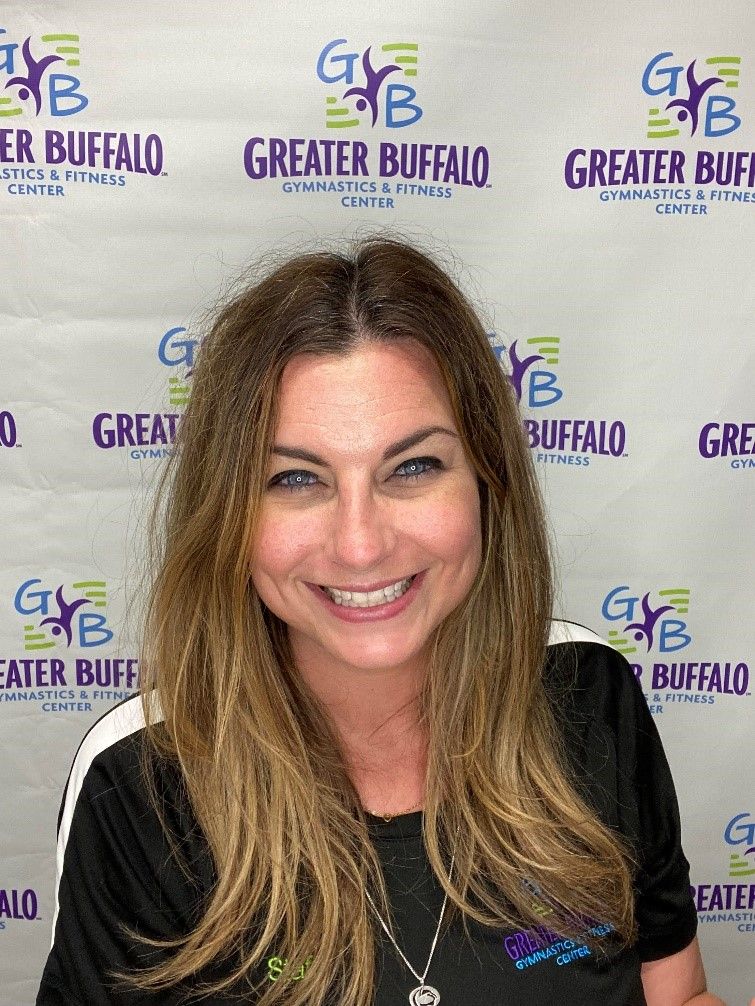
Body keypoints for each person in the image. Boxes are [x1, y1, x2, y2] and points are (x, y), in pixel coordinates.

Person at [38, 238, 721, 1006]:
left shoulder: (589, 693)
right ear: (228, 513)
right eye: (295, 478)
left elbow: (677, 996)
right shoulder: (137, 787)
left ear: (487, 480)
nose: (360, 544)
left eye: (413, 467)